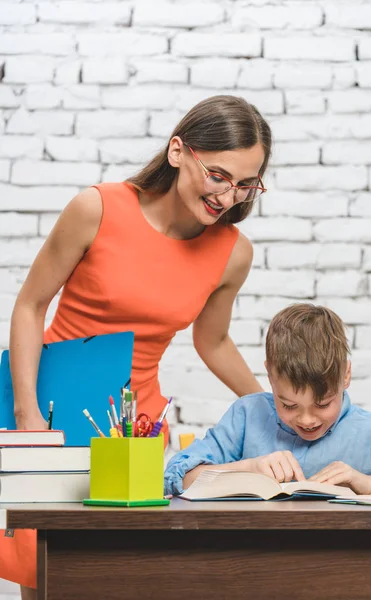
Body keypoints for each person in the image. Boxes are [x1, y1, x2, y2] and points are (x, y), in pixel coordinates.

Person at [3, 95, 272, 599]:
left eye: (245, 184)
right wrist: (28, 416)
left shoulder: (233, 252)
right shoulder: (97, 208)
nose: (228, 196)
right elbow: (30, 306)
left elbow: (211, 341)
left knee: (124, 574)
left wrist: (268, 410)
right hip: (54, 414)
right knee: (45, 577)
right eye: (217, 175)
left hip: (137, 427)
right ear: (178, 151)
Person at [165, 303, 371, 496]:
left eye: (323, 404)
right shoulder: (248, 415)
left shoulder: (370, 432)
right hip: (246, 557)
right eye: (289, 405)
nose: (307, 419)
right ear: (269, 374)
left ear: (345, 375)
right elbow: (176, 476)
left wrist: (369, 484)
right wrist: (249, 468)